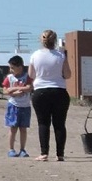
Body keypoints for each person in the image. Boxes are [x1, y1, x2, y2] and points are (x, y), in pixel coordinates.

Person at [28, 29, 71, 162]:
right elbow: (68, 74)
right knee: (59, 124)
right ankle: (60, 154)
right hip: (59, 91)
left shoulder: (35, 55)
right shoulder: (61, 55)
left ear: (41, 40)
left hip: (40, 91)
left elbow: (31, 75)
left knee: (43, 123)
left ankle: (44, 153)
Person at [2, 55, 33, 157]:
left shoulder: (26, 77)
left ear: (20, 67)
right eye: (10, 67)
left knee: (23, 129)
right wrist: (14, 91)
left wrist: (17, 89)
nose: (11, 70)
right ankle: (11, 149)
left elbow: (29, 88)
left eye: (12, 67)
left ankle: (22, 149)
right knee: (13, 128)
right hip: (13, 106)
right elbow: (5, 90)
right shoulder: (9, 78)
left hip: (25, 106)